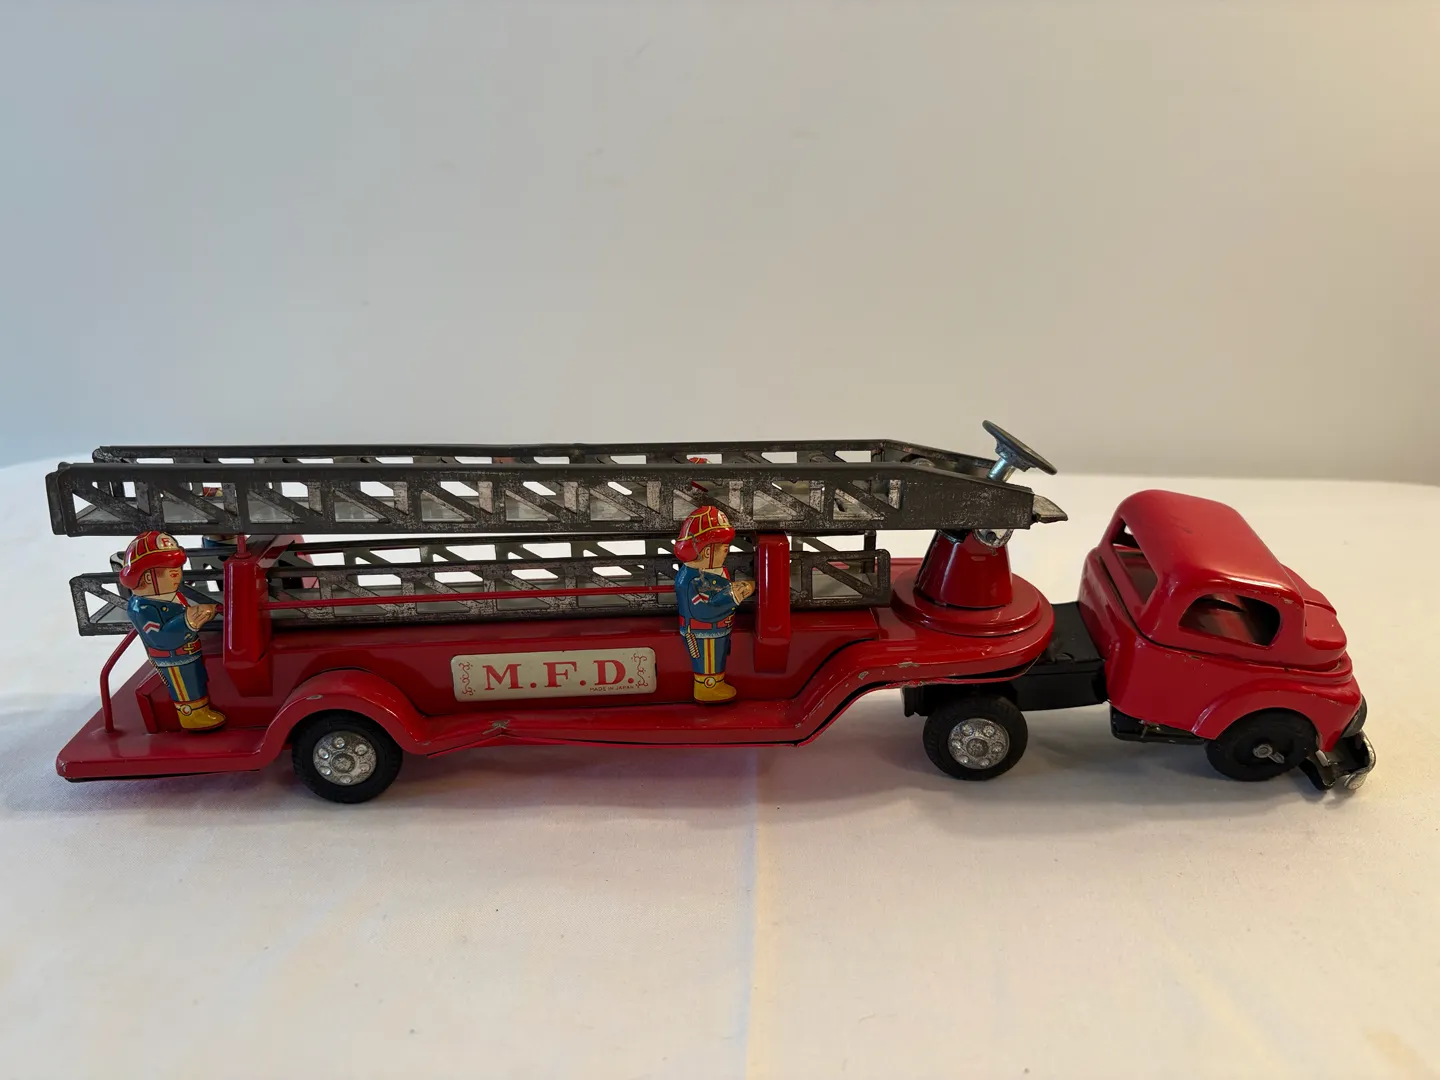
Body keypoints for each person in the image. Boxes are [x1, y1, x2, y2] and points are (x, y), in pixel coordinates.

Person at [119, 531, 227, 731]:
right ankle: (192, 716)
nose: (177, 573)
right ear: (147, 577)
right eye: (168, 570)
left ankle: (200, 710)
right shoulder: (143, 608)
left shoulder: (170, 595)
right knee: (185, 687)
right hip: (173, 658)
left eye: (177, 568)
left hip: (188, 651)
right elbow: (160, 638)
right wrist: (189, 621)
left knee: (197, 680)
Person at [673, 506, 754, 703]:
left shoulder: (712, 571)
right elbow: (703, 610)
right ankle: (707, 688)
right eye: (722, 547)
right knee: (708, 661)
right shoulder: (691, 581)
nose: (726, 551)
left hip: (717, 629)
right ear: (706, 551)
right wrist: (733, 595)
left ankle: (715, 683)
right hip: (703, 632)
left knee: (718, 658)